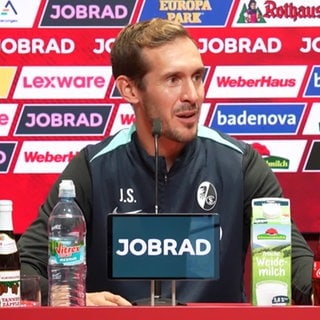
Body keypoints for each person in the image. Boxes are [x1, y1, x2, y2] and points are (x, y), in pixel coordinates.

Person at [17, 17, 313, 306]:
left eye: (197, 77)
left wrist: (312, 282)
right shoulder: (94, 168)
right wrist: (73, 300)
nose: (192, 95)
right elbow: (23, 273)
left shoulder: (240, 164)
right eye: (173, 80)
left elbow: (293, 263)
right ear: (130, 89)